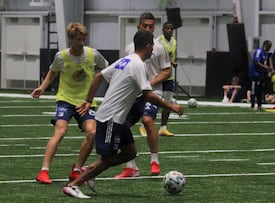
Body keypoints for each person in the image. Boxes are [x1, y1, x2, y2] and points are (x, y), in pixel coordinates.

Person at [62, 30, 184, 198]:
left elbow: (99, 76)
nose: (153, 51)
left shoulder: (125, 61)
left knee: (130, 152)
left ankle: (89, 170)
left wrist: (89, 100)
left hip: (119, 118)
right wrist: (170, 105)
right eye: (152, 48)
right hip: (111, 117)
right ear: (148, 46)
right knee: (107, 158)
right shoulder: (138, 64)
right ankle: (74, 185)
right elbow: (147, 94)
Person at [31, 22, 109, 184]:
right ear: (71, 40)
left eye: (84, 39)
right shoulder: (62, 56)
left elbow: (108, 68)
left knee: (92, 132)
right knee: (60, 131)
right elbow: (52, 72)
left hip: (85, 102)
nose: (82, 43)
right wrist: (42, 87)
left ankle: (76, 169)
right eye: (79, 40)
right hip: (65, 100)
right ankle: (43, 172)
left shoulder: (92, 54)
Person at [114, 12, 172, 178]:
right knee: (120, 123)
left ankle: (154, 161)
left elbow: (167, 71)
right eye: (145, 26)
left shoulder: (159, 48)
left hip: (153, 92)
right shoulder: (129, 48)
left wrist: (149, 84)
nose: (148, 29)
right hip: (134, 93)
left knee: (147, 120)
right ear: (138, 27)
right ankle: (131, 167)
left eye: (151, 26)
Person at [156, 21, 177, 137]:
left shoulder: (174, 41)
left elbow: (171, 57)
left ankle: (163, 127)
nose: (169, 30)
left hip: (169, 76)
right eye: (167, 28)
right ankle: (144, 125)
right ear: (163, 29)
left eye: (171, 28)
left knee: (168, 102)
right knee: (154, 101)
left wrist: (173, 63)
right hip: (159, 75)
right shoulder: (158, 41)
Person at [248, 40, 274, 111]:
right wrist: (265, 67)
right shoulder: (259, 51)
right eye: (269, 47)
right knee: (254, 90)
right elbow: (256, 61)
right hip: (254, 74)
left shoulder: (265, 53)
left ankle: (259, 105)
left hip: (260, 75)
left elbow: (264, 63)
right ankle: (252, 105)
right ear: (265, 45)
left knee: (259, 90)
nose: (269, 48)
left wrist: (268, 69)